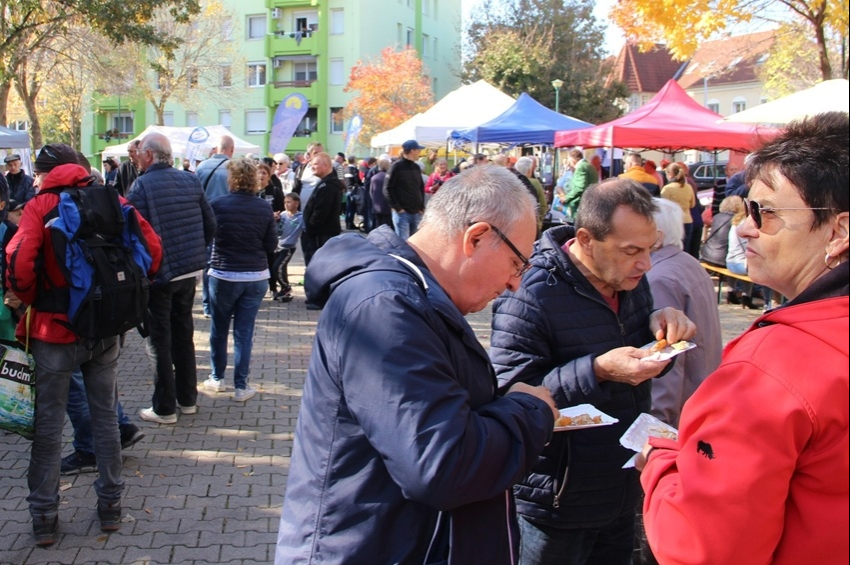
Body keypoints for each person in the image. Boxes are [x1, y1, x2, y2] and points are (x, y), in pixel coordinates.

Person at [276, 165, 560, 564]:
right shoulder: (387, 306)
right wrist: (530, 411)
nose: (516, 283)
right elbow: (441, 466)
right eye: (517, 264)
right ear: (476, 238)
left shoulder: (410, 299)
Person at [637, 111, 849, 565]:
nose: (744, 227)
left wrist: (661, 463)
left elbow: (702, 548)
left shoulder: (774, 368)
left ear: (839, 231)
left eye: (765, 212)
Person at [489, 178, 696, 565]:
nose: (646, 264)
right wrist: (598, 370)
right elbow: (510, 393)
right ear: (585, 239)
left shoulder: (631, 280)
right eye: (632, 251)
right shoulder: (529, 293)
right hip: (556, 503)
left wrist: (661, 331)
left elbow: (635, 361)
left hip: (621, 488)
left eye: (650, 249)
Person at [6, 144, 162, 546]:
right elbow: (154, 252)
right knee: (106, 417)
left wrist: (27, 296)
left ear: (44, 173)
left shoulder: (41, 206)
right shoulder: (114, 199)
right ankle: (110, 506)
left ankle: (44, 517)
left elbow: (19, 261)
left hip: (54, 331)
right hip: (107, 327)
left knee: (49, 426)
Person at [127, 133, 216, 425]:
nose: (137, 157)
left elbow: (130, 231)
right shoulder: (190, 180)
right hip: (188, 271)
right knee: (183, 334)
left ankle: (165, 408)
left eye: (140, 152)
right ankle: (187, 400)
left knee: (159, 340)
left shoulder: (142, 185)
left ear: (150, 155)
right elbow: (210, 222)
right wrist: (195, 253)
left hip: (161, 274)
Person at [202, 158, 277, 401]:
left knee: (219, 329)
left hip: (224, 274)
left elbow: (208, 237)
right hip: (255, 275)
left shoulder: (217, 204)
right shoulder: (264, 207)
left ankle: (217, 377)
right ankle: (241, 386)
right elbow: (271, 245)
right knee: (244, 332)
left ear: (232, 179)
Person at [646, 198, 722, 427]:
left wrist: (656, 423)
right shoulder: (687, 262)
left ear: (655, 235)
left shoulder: (659, 278)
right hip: (701, 392)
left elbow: (668, 357)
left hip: (682, 406)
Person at [301, 151, 342, 270]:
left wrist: (311, 229)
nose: (312, 167)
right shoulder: (324, 184)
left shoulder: (328, 186)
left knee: (318, 266)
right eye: (311, 164)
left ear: (326, 166)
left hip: (321, 234)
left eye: (315, 164)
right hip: (320, 233)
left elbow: (321, 212)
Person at [700, 195, 745, 303]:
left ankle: (731, 292)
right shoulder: (734, 220)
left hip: (707, 255)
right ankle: (736, 293)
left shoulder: (717, 217)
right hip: (721, 258)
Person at [384, 139, 426, 240]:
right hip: (402, 213)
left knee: (415, 242)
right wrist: (397, 208)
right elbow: (387, 189)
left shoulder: (416, 167)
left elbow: (420, 187)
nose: (420, 152)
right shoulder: (396, 167)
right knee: (403, 243)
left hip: (416, 211)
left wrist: (421, 207)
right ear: (412, 151)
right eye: (418, 150)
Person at [258, 162, 285, 296]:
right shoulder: (251, 192)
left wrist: (277, 215)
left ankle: (273, 287)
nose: (261, 175)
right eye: (258, 172)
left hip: (271, 231)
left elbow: (283, 210)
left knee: (271, 259)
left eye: (264, 173)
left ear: (269, 176)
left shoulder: (275, 191)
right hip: (255, 231)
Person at [271, 192, 304, 302]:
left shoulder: (301, 218)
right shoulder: (282, 215)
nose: (286, 204)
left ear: (296, 203)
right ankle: (285, 292)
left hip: (288, 248)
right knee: (280, 269)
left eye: (289, 202)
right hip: (278, 246)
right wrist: (274, 219)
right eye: (285, 202)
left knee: (277, 268)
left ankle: (286, 287)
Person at [660, 162, 696, 249]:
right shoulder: (688, 187)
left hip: (672, 221)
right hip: (687, 220)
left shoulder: (667, 188)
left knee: (672, 249)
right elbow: (692, 204)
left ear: (670, 174)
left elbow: (663, 207)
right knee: (685, 249)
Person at [564, 148, 599, 219]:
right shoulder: (589, 166)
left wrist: (566, 198)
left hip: (579, 205)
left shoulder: (581, 167)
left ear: (572, 159)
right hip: (589, 203)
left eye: (569, 160)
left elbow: (580, 187)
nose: (569, 163)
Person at [370, 157, 392, 230]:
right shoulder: (389, 177)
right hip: (387, 206)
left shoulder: (374, 177)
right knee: (386, 226)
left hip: (376, 205)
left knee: (378, 225)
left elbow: (371, 192)